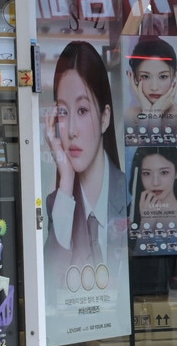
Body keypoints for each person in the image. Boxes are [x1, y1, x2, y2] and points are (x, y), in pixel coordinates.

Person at [44, 41, 130, 295]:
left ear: (105, 118)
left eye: (82, 110)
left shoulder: (132, 193)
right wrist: (66, 180)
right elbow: (50, 288)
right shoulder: (58, 204)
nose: (70, 131)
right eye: (62, 111)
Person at [128, 146, 177, 255]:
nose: (155, 182)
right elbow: (133, 264)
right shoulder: (130, 215)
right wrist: (146, 221)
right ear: (139, 175)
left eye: (164, 172)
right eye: (147, 173)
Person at [124, 37, 177, 130]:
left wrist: (155, 114)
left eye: (163, 77)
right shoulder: (131, 115)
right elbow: (142, 144)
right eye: (145, 76)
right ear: (134, 77)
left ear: (174, 75)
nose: (154, 87)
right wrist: (147, 112)